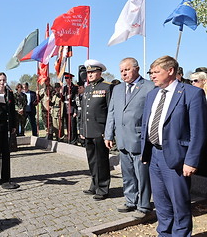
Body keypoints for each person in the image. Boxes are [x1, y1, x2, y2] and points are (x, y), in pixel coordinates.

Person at [141, 55, 207, 236]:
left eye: (156, 72)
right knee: (161, 202)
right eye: (151, 72)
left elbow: (198, 131)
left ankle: (181, 233)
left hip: (177, 158)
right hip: (154, 155)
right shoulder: (152, 94)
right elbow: (147, 123)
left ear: (170, 71)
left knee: (179, 203)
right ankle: (164, 233)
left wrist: (191, 161)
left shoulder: (191, 93)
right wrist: (145, 152)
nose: (152, 76)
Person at [104, 57, 155, 219]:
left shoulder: (149, 87)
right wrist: (108, 134)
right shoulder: (117, 89)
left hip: (140, 139)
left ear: (137, 69)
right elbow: (111, 112)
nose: (123, 73)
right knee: (127, 174)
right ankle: (130, 200)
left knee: (142, 175)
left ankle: (144, 205)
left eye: (127, 69)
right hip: (122, 139)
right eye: (121, 71)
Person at [80, 59, 113, 201]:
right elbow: (83, 111)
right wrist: (81, 129)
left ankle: (103, 188)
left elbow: (111, 111)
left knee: (101, 161)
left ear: (100, 72)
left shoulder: (107, 87)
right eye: (88, 72)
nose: (90, 74)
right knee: (92, 160)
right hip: (88, 130)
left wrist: (109, 132)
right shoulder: (87, 88)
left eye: (93, 72)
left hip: (100, 130)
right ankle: (94, 184)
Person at [62, 72, 79, 144]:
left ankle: (74, 139)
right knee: (68, 125)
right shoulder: (65, 88)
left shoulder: (74, 87)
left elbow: (76, 100)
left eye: (67, 78)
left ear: (71, 79)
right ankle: (69, 138)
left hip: (72, 108)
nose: (66, 80)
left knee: (73, 125)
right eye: (65, 78)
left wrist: (75, 110)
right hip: (66, 108)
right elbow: (63, 99)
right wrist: (61, 94)